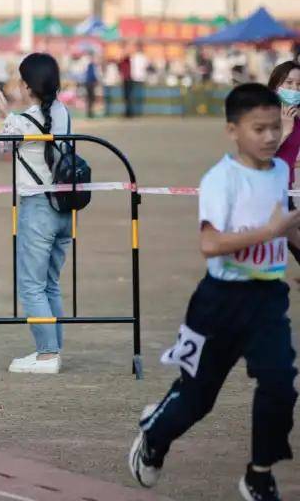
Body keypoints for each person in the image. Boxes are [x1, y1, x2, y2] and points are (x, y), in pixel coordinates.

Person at [130, 83, 300, 501]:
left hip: (267, 299)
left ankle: (259, 475)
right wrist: (268, 232)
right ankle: (154, 437)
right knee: (199, 397)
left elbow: (284, 227)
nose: (269, 137)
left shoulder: (280, 171)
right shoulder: (219, 180)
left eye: (275, 128)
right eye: (258, 129)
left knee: (280, 385)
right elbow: (209, 244)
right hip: (220, 301)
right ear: (232, 130)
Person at [0, 52, 72, 374]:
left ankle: (46, 355)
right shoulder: (61, 112)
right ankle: (52, 351)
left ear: (26, 86)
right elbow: (28, 131)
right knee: (50, 283)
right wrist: (6, 115)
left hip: (37, 205)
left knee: (31, 285)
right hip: (63, 205)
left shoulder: (23, 121)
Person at [268, 61, 300, 266]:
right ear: (275, 85)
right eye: (288, 83)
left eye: (299, 85)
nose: (294, 89)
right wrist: (285, 131)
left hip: (287, 192)